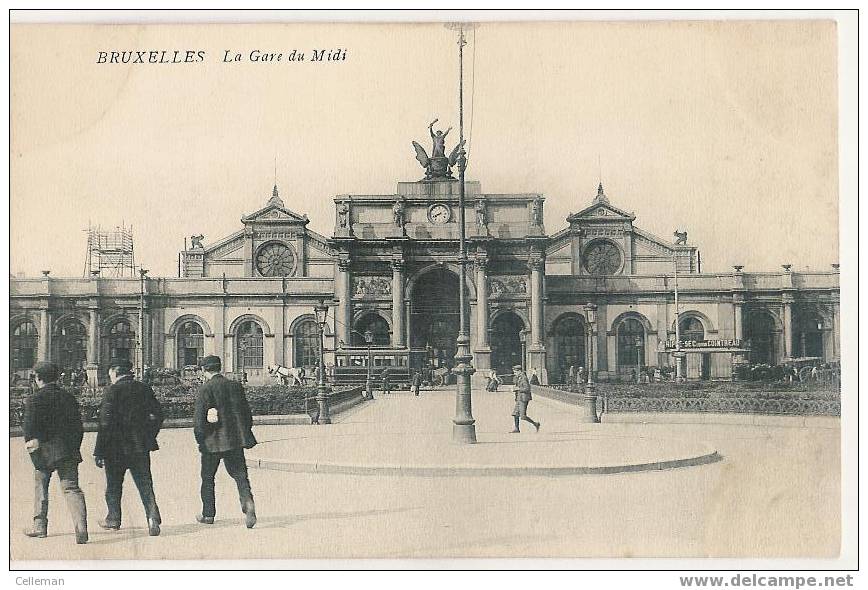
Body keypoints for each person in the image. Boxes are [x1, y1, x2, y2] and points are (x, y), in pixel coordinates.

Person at [93, 359, 164, 536]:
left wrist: (99, 451)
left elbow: (105, 423)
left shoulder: (112, 390)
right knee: (145, 484)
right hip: (140, 447)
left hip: (115, 449)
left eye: (110, 372)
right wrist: (149, 435)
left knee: (114, 485)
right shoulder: (143, 388)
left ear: (115, 371)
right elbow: (159, 415)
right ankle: (152, 517)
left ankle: (113, 519)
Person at [22, 362, 88, 544]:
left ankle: (39, 527)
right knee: (71, 489)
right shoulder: (68, 397)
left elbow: (29, 430)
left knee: (41, 488)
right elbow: (78, 427)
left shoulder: (34, 399)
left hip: (43, 451)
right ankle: (81, 527)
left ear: (38, 378)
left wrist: (34, 454)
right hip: (67, 450)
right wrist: (73, 447)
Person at [194, 355, 257, 528]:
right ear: (219, 368)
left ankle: (208, 514)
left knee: (207, 478)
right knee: (240, 476)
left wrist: (200, 440)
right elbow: (246, 414)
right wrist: (243, 433)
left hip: (211, 442)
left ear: (204, 370)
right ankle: (248, 503)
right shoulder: (235, 386)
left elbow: (199, 420)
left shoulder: (205, 389)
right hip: (234, 441)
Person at [510, 365, 540, 434]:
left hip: (523, 398)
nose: (514, 373)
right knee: (515, 414)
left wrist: (517, 389)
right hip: (519, 398)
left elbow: (527, 388)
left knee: (523, 416)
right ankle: (516, 429)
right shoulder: (519, 377)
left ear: (519, 371)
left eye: (515, 372)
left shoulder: (524, 378)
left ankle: (535, 424)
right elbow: (515, 383)